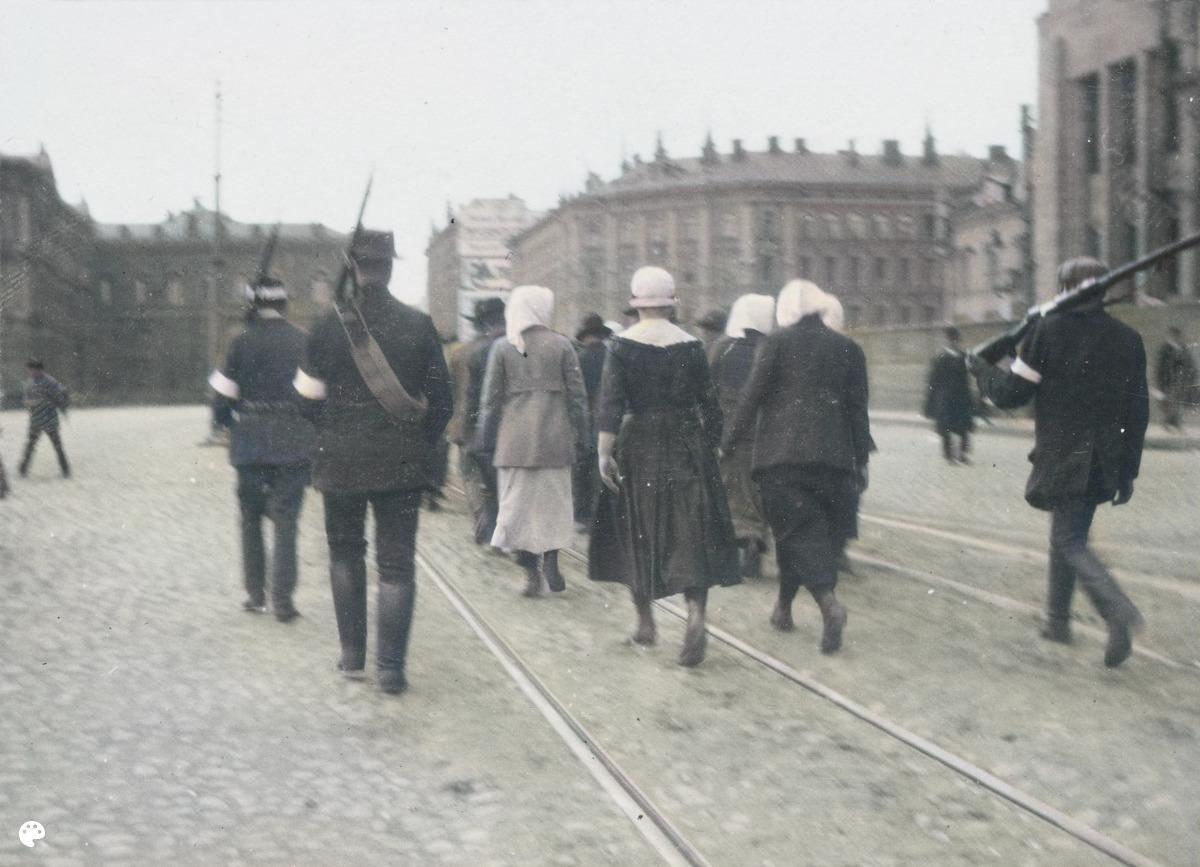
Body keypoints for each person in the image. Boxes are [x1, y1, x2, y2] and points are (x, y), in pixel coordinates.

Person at [968, 257, 1148, 668]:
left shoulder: (1047, 330)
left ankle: (1116, 610)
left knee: (1068, 540)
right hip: (1105, 459)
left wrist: (981, 369)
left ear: (1064, 289)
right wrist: (1128, 472)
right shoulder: (1129, 338)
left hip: (1064, 455)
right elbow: (1138, 415)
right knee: (1066, 534)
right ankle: (1058, 622)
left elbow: (1012, 394)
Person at [294, 229, 453, 694]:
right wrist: (416, 441)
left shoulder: (326, 325)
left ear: (353, 265)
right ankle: (390, 669)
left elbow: (305, 400)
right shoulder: (418, 325)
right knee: (397, 566)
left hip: (340, 460)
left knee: (345, 553)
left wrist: (335, 430)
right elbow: (442, 402)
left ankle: (351, 658)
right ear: (390, 266)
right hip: (400, 461)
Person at [589, 267, 740, 667]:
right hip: (687, 442)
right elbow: (711, 404)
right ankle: (695, 613)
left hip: (639, 444)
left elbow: (610, 406)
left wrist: (603, 454)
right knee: (692, 531)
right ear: (671, 303)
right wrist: (711, 449)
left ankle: (645, 623)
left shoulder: (620, 346)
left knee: (636, 528)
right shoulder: (691, 345)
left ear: (636, 305)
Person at [724, 280, 871, 655]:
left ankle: (828, 605)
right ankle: (784, 608)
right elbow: (858, 411)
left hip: (782, 459)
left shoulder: (776, 343)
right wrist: (860, 462)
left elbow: (752, 397)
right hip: (835, 462)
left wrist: (727, 442)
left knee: (794, 532)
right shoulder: (849, 348)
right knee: (804, 534)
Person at [209, 276, 315, 621]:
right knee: (286, 521)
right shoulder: (303, 340)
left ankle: (256, 595)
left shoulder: (239, 342)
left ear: (253, 306)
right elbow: (316, 396)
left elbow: (222, 398)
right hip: (293, 441)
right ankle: (283, 601)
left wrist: (224, 423)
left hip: (250, 441)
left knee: (251, 519)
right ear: (284, 305)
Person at [475, 286, 589, 597]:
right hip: (555, 438)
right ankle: (550, 558)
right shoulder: (562, 345)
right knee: (554, 506)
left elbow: (490, 400)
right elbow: (578, 399)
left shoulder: (503, 347)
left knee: (517, 509)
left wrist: (484, 439)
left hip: (515, 441)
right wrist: (583, 436)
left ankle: (530, 574)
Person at [709, 294, 775, 578]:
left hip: (729, 430)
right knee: (760, 492)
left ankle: (741, 542)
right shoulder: (772, 349)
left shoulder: (722, 348)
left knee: (733, 490)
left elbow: (707, 390)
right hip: (765, 432)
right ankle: (756, 540)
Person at [447, 298, 507, 544]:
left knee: (471, 476)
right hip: (500, 426)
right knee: (498, 479)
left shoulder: (460, 353)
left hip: (466, 426)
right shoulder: (508, 348)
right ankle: (497, 525)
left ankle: (482, 519)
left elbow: (452, 393)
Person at [573, 313, 614, 526]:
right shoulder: (612, 355)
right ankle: (603, 515)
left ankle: (582, 515)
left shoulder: (580, 358)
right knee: (605, 467)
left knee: (583, 467)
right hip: (609, 419)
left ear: (586, 336)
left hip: (587, 417)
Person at [923, 326, 976, 464]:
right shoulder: (940, 359)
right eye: (951, 340)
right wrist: (932, 399)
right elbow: (933, 381)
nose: (954, 342)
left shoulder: (964, 357)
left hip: (961, 397)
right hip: (945, 398)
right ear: (947, 341)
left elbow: (968, 377)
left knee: (963, 428)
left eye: (956, 340)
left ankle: (963, 454)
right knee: (946, 427)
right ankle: (949, 455)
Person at [18, 359, 71, 479]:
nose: (31, 372)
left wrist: (54, 404)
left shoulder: (50, 382)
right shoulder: (30, 382)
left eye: (33, 370)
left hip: (49, 419)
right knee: (30, 445)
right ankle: (22, 469)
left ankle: (65, 469)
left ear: (40, 369)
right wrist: (29, 403)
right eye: (30, 370)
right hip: (36, 419)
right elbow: (27, 398)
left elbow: (59, 396)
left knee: (57, 446)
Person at [1155, 326, 1196, 432]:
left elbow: (1190, 363)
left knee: (1179, 402)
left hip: (1182, 380)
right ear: (1170, 336)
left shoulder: (1183, 348)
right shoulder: (1165, 349)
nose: (1176, 338)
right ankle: (1168, 423)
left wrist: (1191, 376)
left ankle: (1177, 423)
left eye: (1177, 336)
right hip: (1169, 380)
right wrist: (1160, 381)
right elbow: (1160, 366)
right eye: (1174, 335)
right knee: (1169, 401)